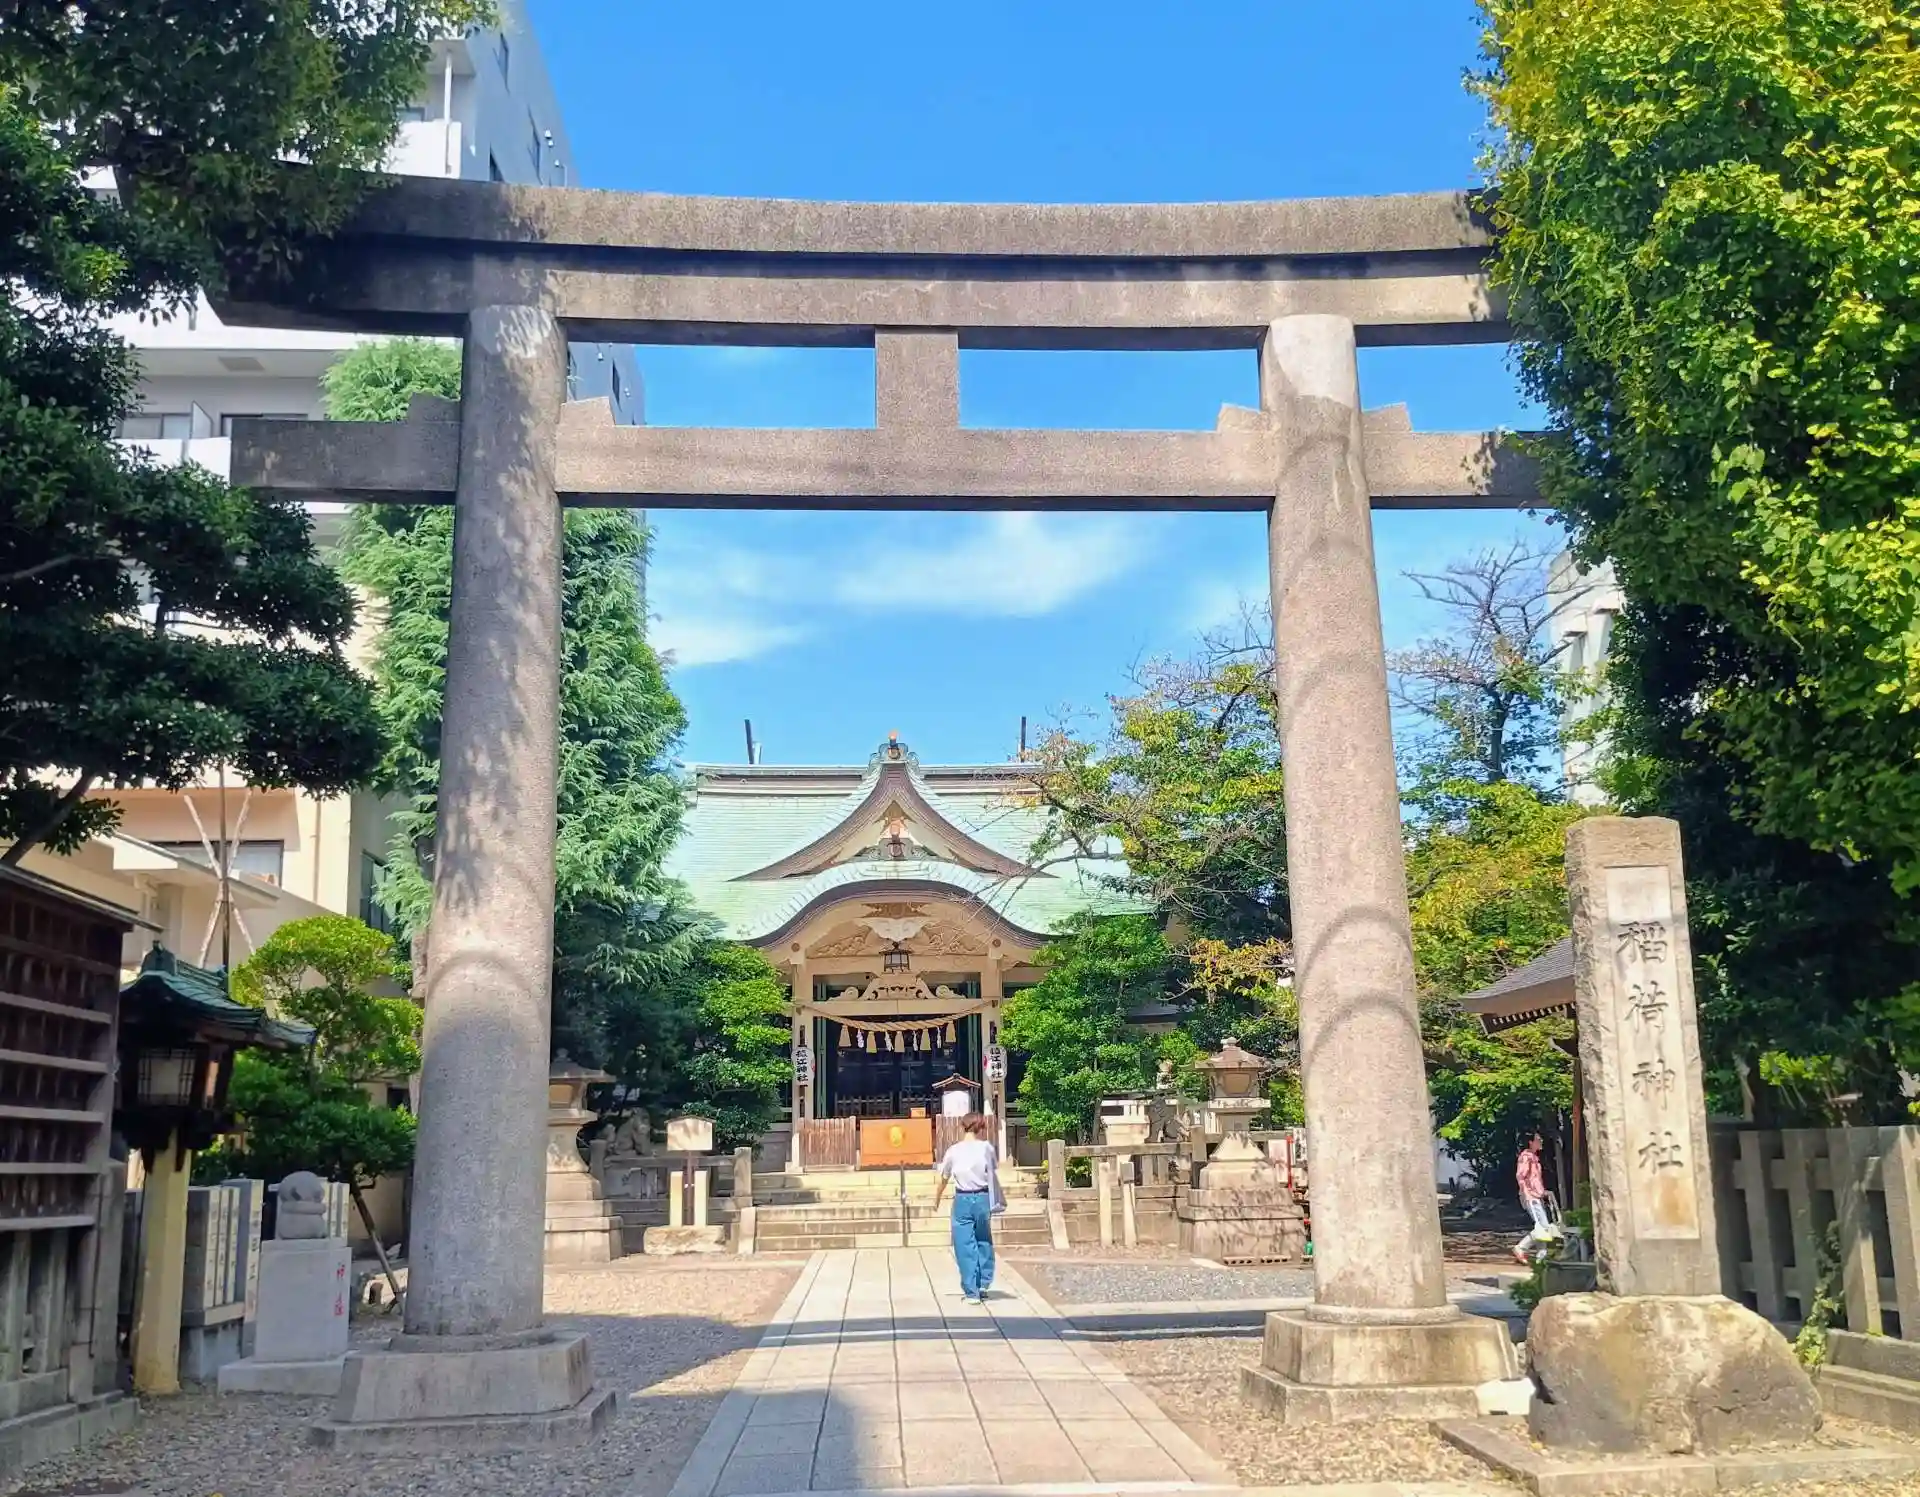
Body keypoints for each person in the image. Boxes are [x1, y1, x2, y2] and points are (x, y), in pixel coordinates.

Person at [932, 1112, 1003, 1303]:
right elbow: (992, 1172)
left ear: (963, 1126)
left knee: (964, 1244)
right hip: (982, 1197)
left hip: (962, 1198)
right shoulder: (987, 1148)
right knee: (983, 1239)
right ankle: (984, 1282)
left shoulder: (953, 1151)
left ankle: (972, 1291)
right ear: (981, 1128)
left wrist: (937, 1198)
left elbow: (944, 1177)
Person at [1513, 1129, 1553, 1264]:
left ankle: (1541, 1258)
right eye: (1538, 1140)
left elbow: (1535, 1179)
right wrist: (1526, 1193)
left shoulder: (1534, 1158)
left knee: (1542, 1228)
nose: (1541, 1142)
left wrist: (1543, 1191)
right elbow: (1521, 1177)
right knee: (1543, 1227)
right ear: (1531, 1142)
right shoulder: (1526, 1157)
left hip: (1536, 1195)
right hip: (1530, 1196)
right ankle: (1521, 1247)